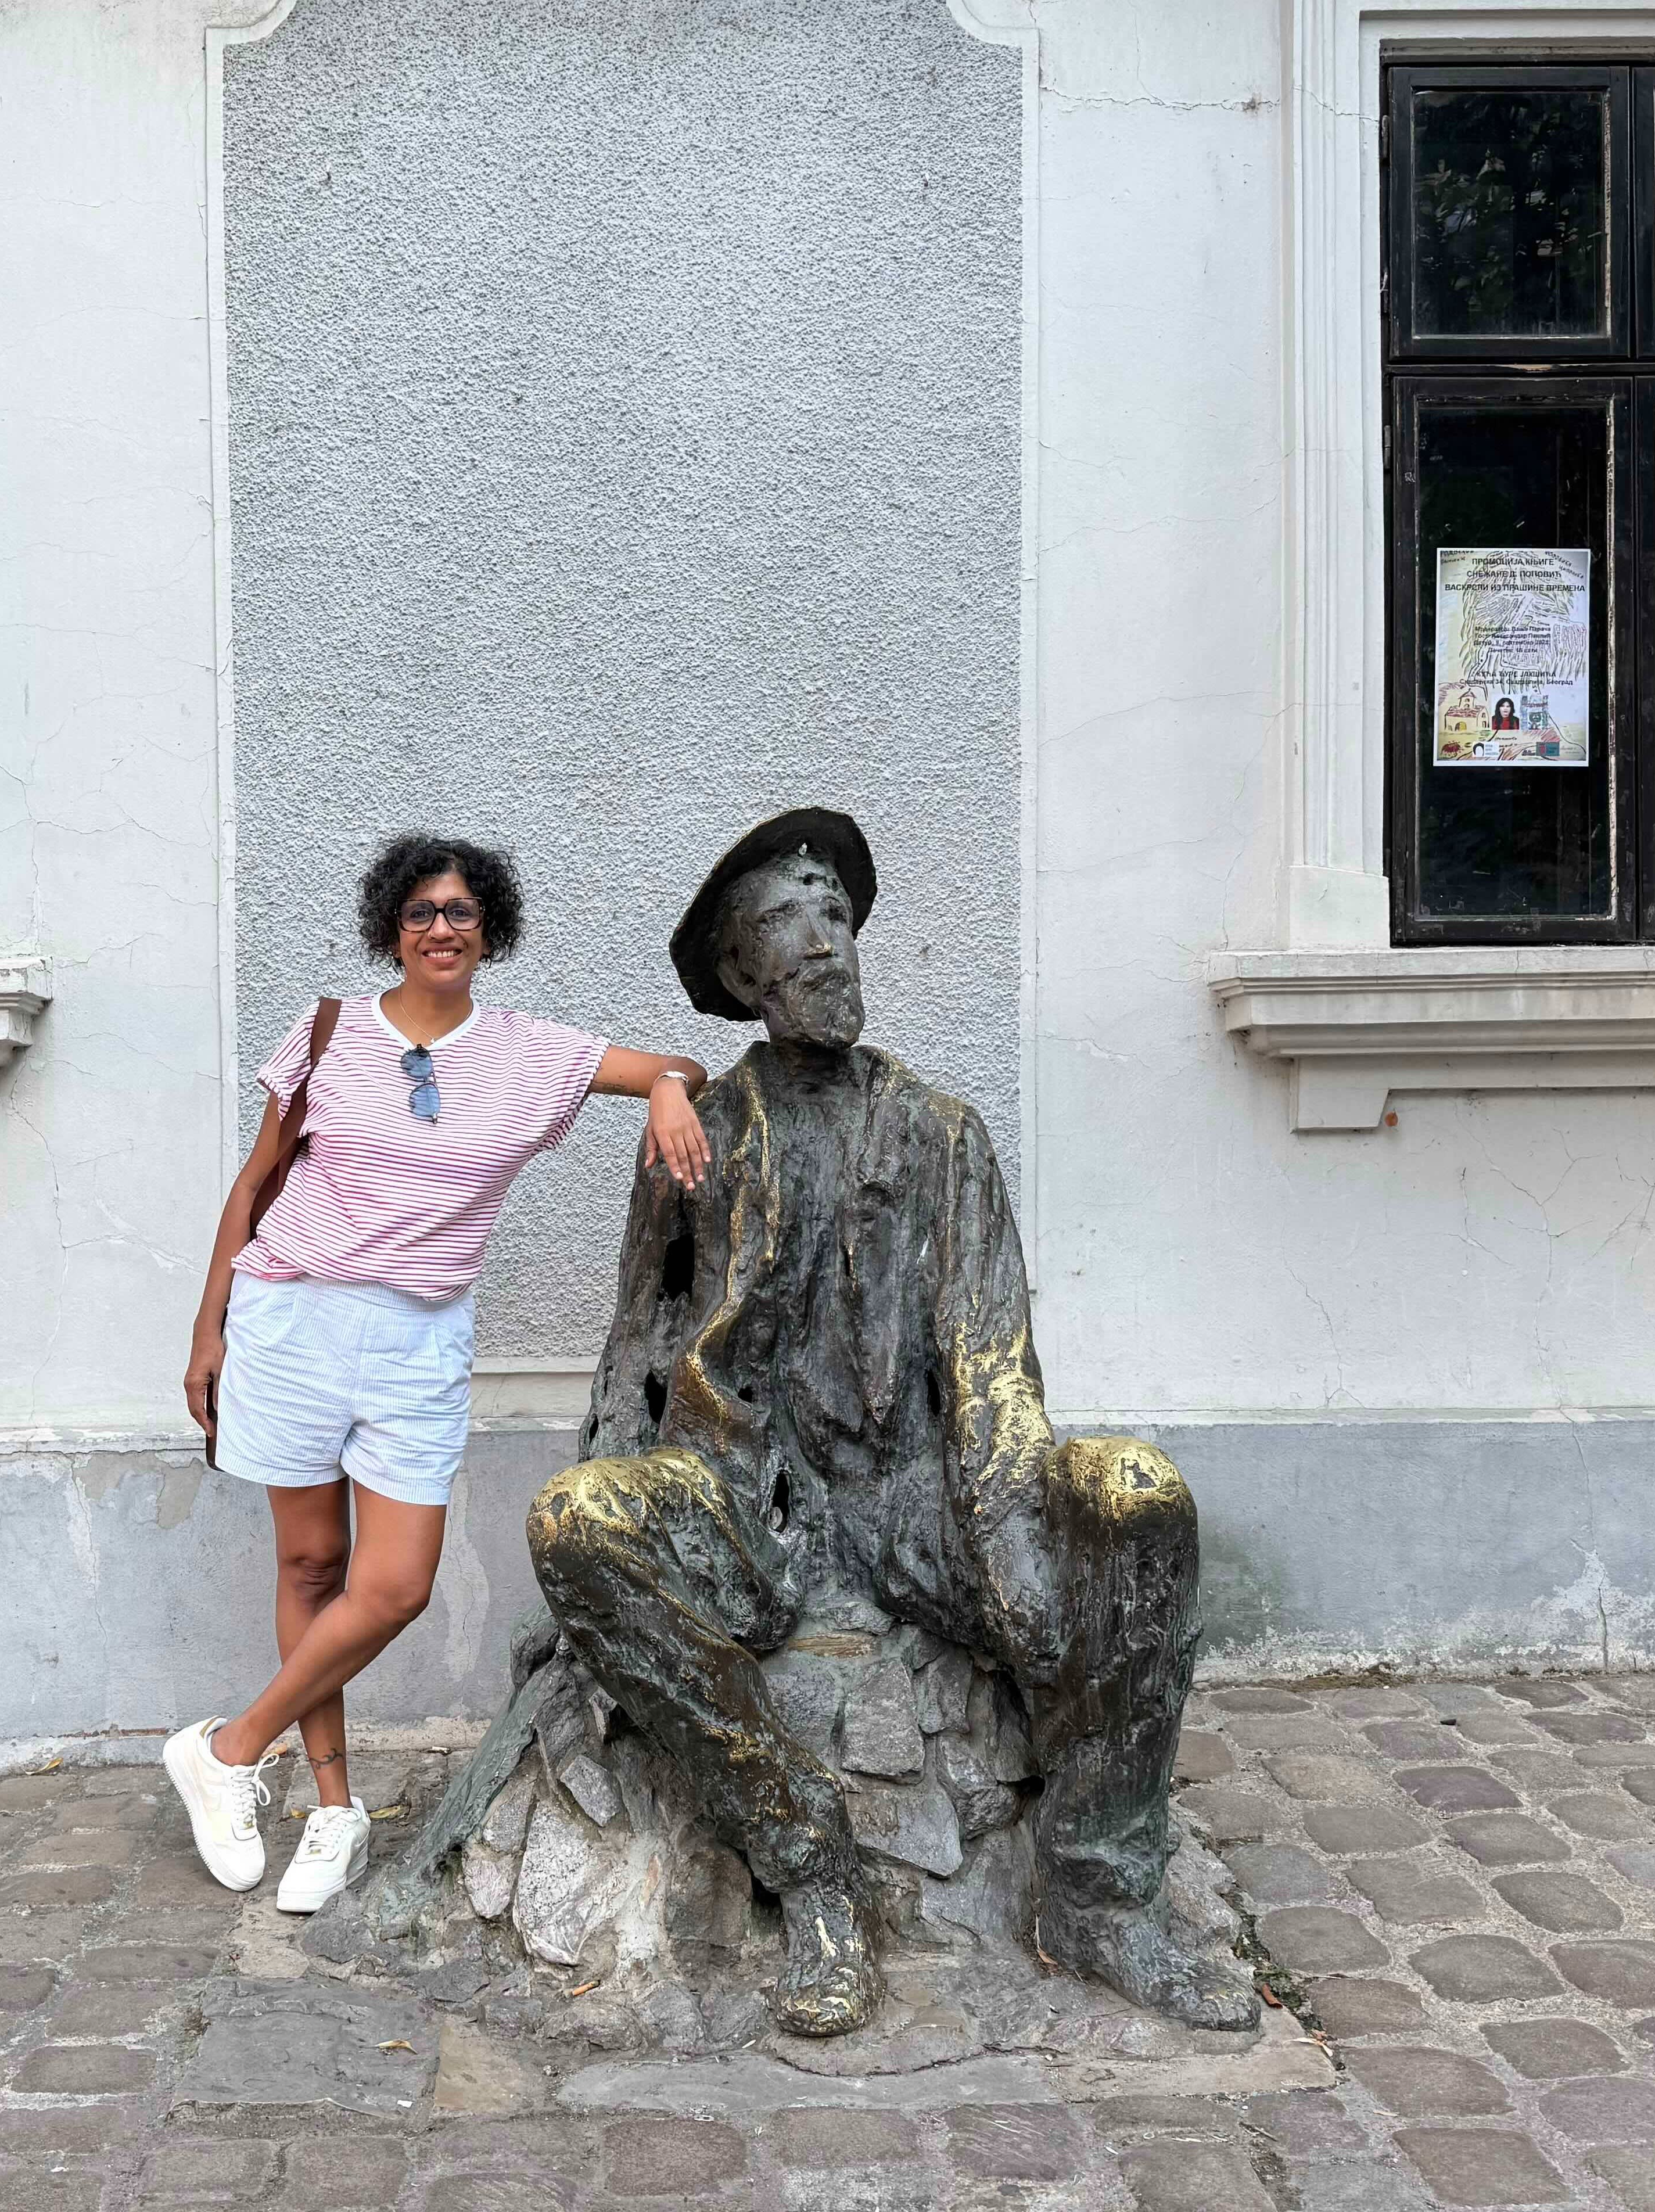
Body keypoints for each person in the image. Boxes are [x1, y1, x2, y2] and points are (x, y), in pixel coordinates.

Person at [525, 808, 1245, 2035]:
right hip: (747, 1495)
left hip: (922, 1495)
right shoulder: (701, 1137)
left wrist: (1016, 1551)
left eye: (836, 915)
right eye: (785, 922)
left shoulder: (942, 1134)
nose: (823, 943)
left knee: (1136, 1495)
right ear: (741, 972)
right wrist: (585, 1598)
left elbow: (993, 1365)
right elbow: (636, 1349)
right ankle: (810, 1867)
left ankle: (1098, 1891)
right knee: (574, 1519)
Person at [166, 831, 716, 1912]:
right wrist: (207, 1329)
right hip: (291, 1316)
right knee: (312, 1566)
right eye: (420, 911)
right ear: (392, 930)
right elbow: (256, 1182)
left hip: (419, 1339)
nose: (441, 928)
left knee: (394, 1586)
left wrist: (668, 1089)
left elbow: (677, 1065)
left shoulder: (528, 1053)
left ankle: (227, 1750)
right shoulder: (329, 1031)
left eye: (462, 911)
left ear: (489, 931)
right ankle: (333, 1809)